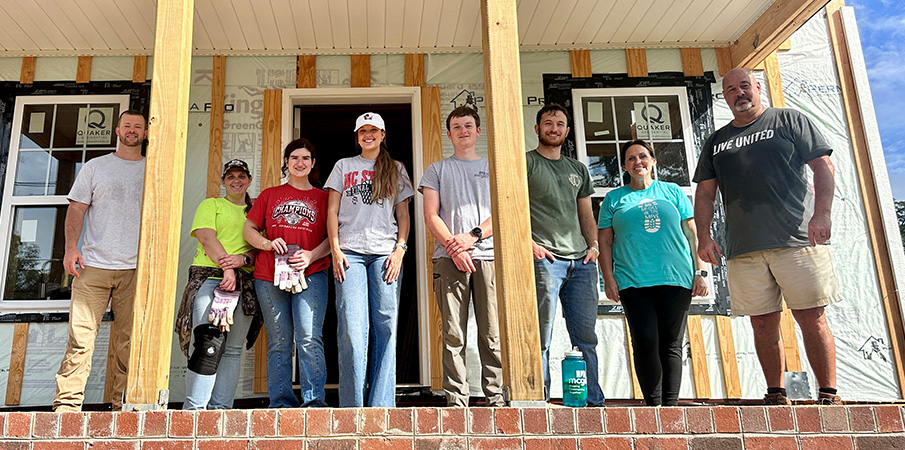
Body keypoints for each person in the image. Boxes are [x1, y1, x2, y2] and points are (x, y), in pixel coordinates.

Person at [694, 67, 843, 405]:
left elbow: (823, 167)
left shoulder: (789, 120)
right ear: (725, 96)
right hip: (743, 248)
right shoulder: (716, 141)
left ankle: (829, 394)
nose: (739, 93)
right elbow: (704, 194)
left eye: (745, 86)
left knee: (812, 316)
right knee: (762, 323)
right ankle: (775, 393)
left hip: (797, 239)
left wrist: (822, 214)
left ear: (758, 87)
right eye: (731, 90)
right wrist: (704, 236)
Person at [598, 140, 709, 406]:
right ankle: (653, 405)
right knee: (645, 340)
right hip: (632, 280)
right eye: (631, 158)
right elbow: (604, 242)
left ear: (653, 161)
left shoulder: (672, 192)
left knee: (671, 343)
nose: (638, 162)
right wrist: (608, 278)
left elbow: (692, 233)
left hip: (676, 278)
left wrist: (701, 271)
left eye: (643, 156)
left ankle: (670, 408)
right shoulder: (614, 198)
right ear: (624, 166)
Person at [53, 110, 147, 412]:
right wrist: (71, 248)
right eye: (127, 126)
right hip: (92, 267)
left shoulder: (152, 169)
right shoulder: (96, 167)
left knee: (128, 341)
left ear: (145, 134)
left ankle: (121, 405)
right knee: (80, 339)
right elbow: (76, 209)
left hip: (135, 269)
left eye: (138, 127)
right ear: (117, 130)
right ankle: (66, 406)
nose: (132, 131)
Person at [325, 112, 414, 407]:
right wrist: (335, 250)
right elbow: (333, 212)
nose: (368, 135)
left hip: (385, 254)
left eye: (373, 130)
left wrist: (400, 248)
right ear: (356, 136)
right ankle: (352, 405)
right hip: (349, 253)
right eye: (363, 130)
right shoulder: (343, 166)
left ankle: (381, 404)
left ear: (383, 134)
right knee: (352, 326)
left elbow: (403, 214)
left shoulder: (396, 169)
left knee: (386, 324)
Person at [419, 106, 505, 407]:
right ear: (449, 134)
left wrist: (471, 238)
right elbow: (431, 215)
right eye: (457, 127)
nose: (463, 131)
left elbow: (502, 212)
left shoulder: (493, 167)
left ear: (478, 131)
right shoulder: (436, 170)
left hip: (488, 258)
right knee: (454, 334)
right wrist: (455, 249)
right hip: (448, 259)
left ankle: (495, 397)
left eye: (468, 125)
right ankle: (457, 400)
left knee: (491, 333)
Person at [244, 139, 332, 408]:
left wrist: (310, 255)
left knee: (308, 337)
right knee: (280, 341)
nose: (300, 163)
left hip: (312, 273)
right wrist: (267, 244)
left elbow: (334, 237)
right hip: (270, 275)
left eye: (306, 158)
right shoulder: (270, 195)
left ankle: (314, 401)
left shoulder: (324, 197)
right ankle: (281, 402)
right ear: (286, 162)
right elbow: (249, 229)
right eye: (294, 157)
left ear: (313, 163)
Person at [527, 103, 605, 406]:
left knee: (586, 338)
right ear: (537, 129)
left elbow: (586, 215)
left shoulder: (578, 169)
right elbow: (512, 208)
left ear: (567, 131)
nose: (554, 128)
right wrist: (527, 244)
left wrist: (594, 248)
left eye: (560, 124)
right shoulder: (527, 164)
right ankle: (539, 400)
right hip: (545, 261)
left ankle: (592, 400)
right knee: (541, 336)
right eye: (548, 123)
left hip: (582, 264)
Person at [175, 159, 259, 410]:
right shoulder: (211, 205)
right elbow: (206, 237)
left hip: (243, 285)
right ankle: (194, 410)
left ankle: (221, 410)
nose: (236, 180)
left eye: (241, 176)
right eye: (230, 176)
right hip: (211, 277)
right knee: (207, 342)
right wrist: (227, 268)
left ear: (249, 180)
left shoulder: (254, 212)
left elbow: (258, 249)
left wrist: (243, 260)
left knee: (233, 350)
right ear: (223, 181)